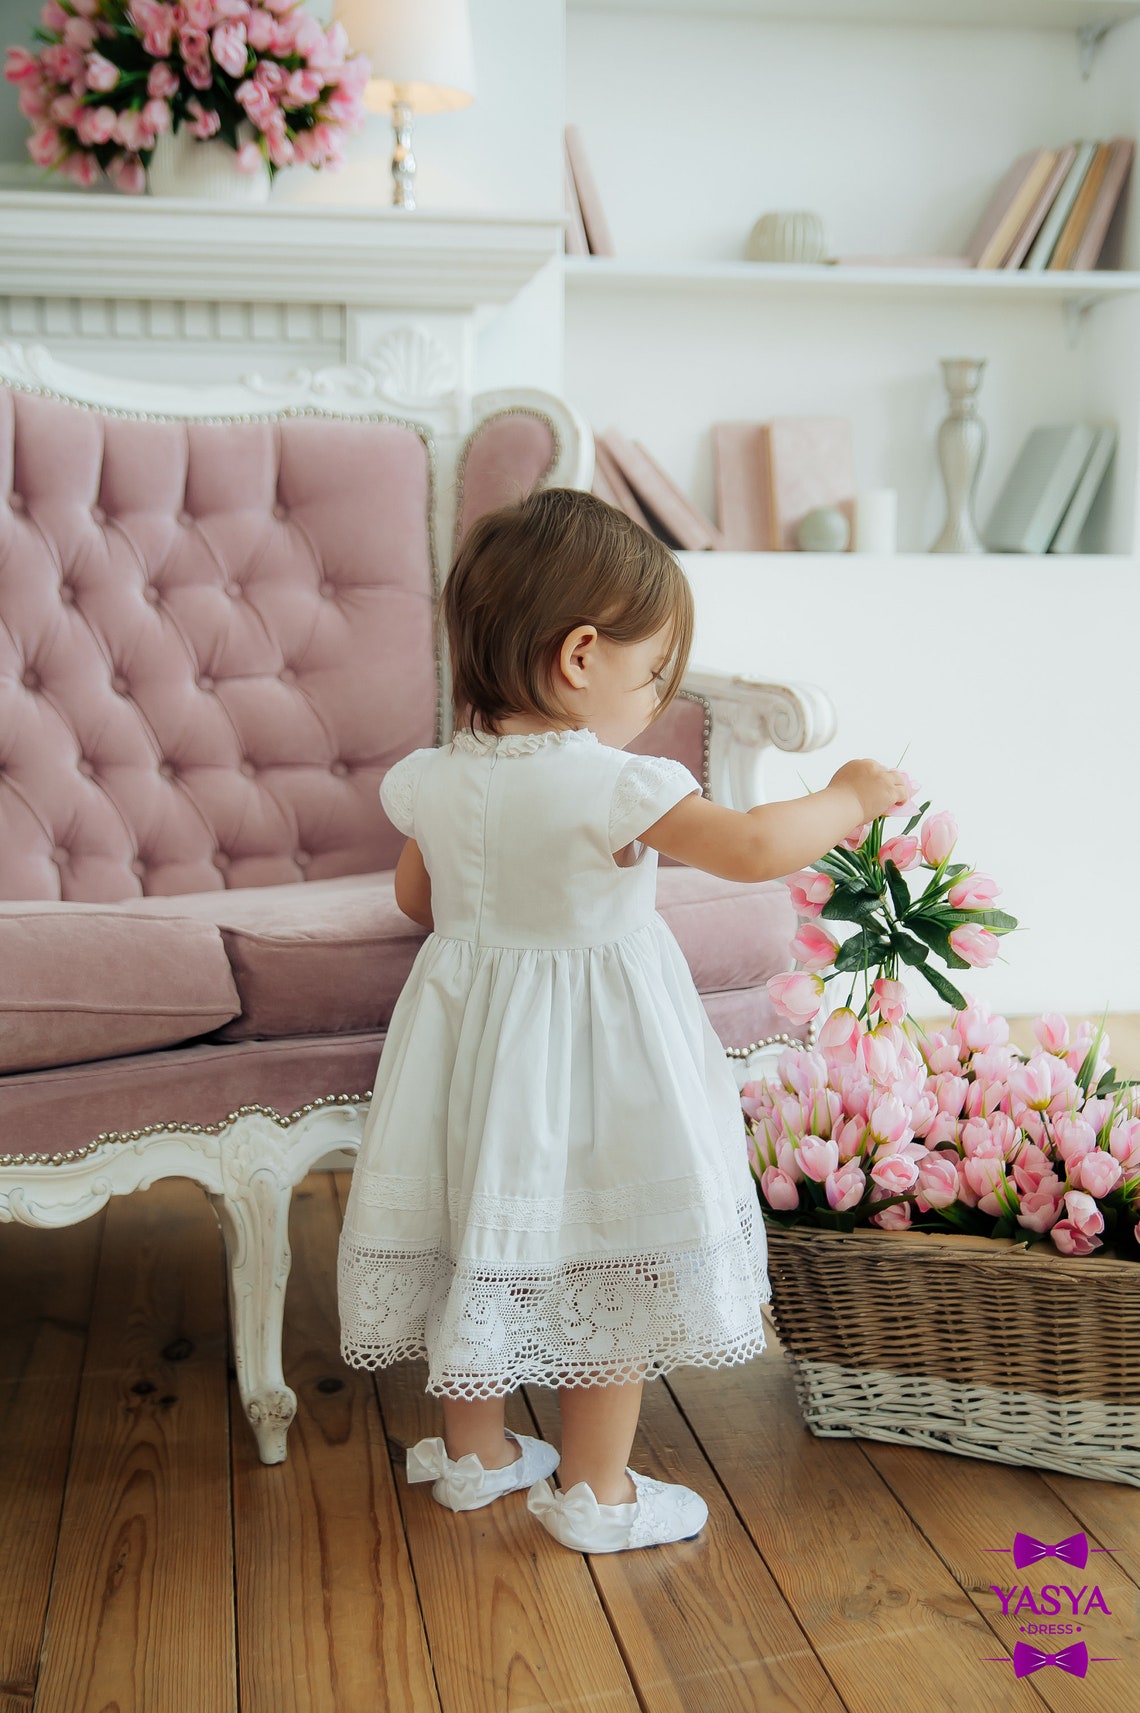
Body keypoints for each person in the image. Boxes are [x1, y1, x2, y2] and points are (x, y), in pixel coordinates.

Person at [337, 486, 907, 1555]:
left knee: (477, 1231)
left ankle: (477, 1456)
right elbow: (745, 848)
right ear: (581, 656)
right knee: (609, 1244)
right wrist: (847, 795)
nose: (656, 702)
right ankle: (597, 1494)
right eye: (653, 676)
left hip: (465, 1049)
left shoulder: (437, 777)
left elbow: (419, 902)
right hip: (593, 1057)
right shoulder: (612, 784)